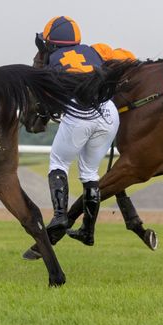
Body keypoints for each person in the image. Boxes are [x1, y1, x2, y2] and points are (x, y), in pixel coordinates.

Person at [40, 15, 127, 245]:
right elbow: (128, 57)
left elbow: (49, 96)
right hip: (109, 112)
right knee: (89, 173)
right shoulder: (96, 50)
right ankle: (87, 231)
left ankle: (60, 217)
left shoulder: (51, 60)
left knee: (58, 163)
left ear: (50, 42)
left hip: (80, 112)